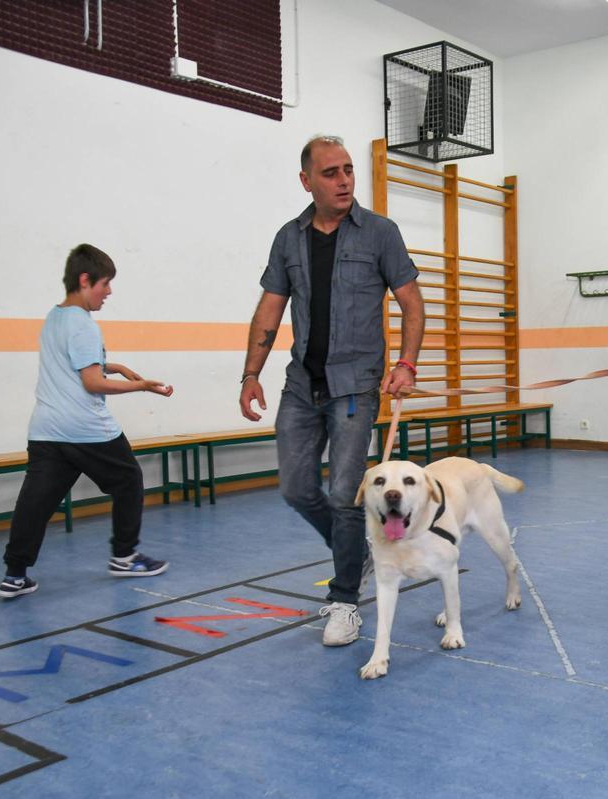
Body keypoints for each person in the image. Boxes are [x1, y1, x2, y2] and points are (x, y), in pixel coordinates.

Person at [239, 135, 425, 647]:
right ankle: (358, 555)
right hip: (301, 385)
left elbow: (412, 302)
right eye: (331, 173)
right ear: (306, 181)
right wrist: (250, 373)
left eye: (348, 170)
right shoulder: (288, 238)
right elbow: (270, 310)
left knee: (345, 497)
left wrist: (407, 364)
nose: (344, 180)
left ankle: (344, 600)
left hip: (356, 387)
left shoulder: (380, 234)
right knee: (296, 489)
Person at [0, 244, 173, 599]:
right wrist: (140, 385)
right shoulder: (83, 326)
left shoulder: (55, 317)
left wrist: (118, 366)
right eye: (104, 284)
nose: (108, 292)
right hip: (86, 429)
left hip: (47, 430)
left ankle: (15, 575)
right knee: (129, 479)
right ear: (84, 280)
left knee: (35, 503)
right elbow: (91, 382)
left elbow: (76, 362)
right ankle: (124, 556)